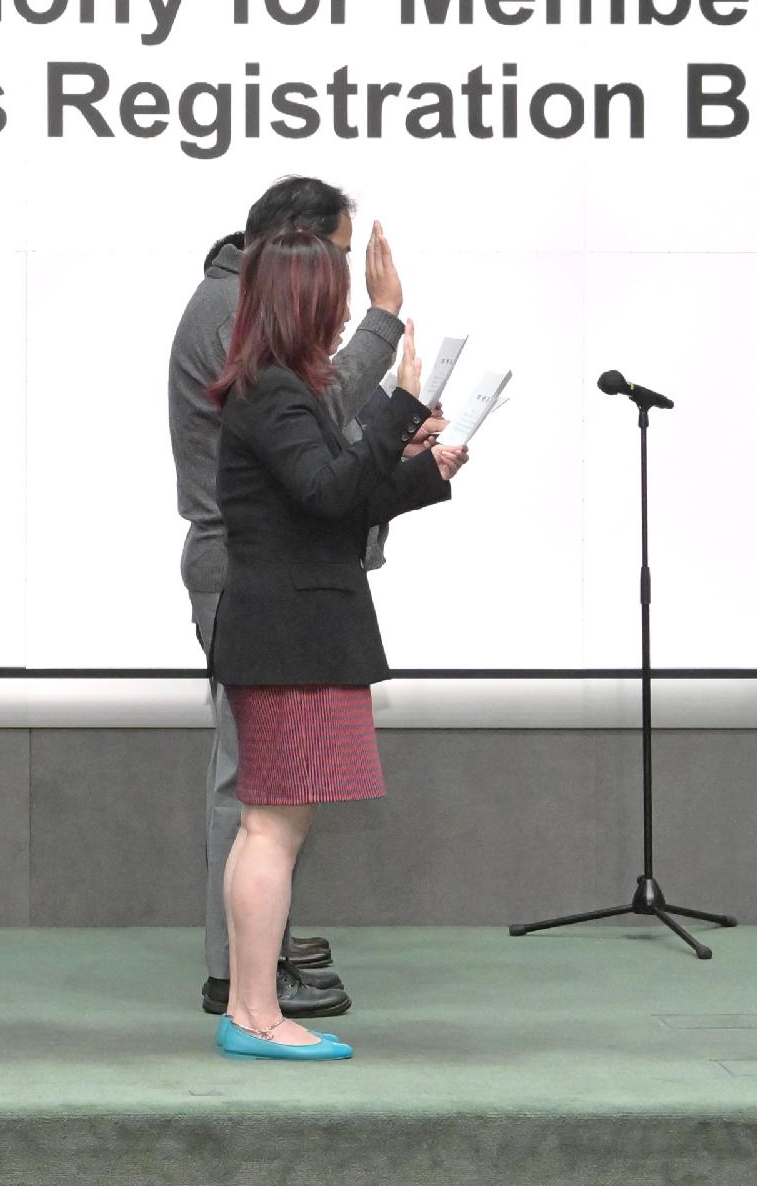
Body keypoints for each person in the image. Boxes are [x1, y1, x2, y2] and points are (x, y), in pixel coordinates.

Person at [205, 230, 459, 1061]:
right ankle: (254, 1015)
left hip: (292, 632)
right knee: (271, 830)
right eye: (336, 295)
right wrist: (400, 407)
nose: (346, 309)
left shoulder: (279, 389)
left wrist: (423, 467)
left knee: (269, 827)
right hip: (291, 636)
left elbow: (333, 498)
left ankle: (250, 1010)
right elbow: (324, 491)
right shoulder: (274, 392)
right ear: (303, 301)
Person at [164, 175, 398, 1021]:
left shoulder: (237, 302)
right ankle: (240, 980)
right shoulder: (232, 311)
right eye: (337, 256)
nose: (341, 282)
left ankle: (257, 955)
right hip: (248, 573)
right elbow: (317, 408)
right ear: (295, 251)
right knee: (253, 791)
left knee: (271, 792)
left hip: (271, 569)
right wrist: (386, 329)